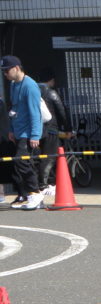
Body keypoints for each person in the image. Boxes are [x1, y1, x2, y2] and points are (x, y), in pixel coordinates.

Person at [1, 55, 45, 210]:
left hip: (27, 132)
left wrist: (35, 135)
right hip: (18, 131)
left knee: (22, 161)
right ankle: (33, 195)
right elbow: (14, 109)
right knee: (23, 163)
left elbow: (35, 112)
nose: (5, 74)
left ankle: (35, 193)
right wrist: (11, 130)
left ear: (17, 68)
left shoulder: (30, 86)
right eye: (3, 71)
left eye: (7, 70)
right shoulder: (14, 85)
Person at [37, 67, 73, 193]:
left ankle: (42, 183)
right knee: (50, 157)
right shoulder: (50, 92)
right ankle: (43, 185)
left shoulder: (33, 91)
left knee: (38, 158)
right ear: (51, 80)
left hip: (35, 131)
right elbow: (61, 111)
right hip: (50, 129)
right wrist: (68, 129)